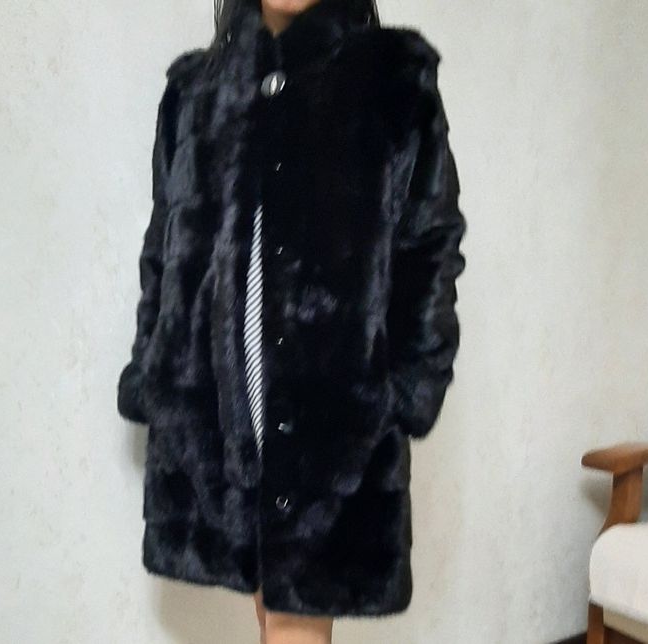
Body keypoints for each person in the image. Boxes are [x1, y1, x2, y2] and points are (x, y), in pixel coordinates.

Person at [117, 0, 466, 642]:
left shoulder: (394, 81)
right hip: (217, 421)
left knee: (294, 622)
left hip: (331, 435)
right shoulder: (193, 92)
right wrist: (151, 370)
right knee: (268, 612)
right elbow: (162, 251)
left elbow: (428, 247)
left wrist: (406, 392)